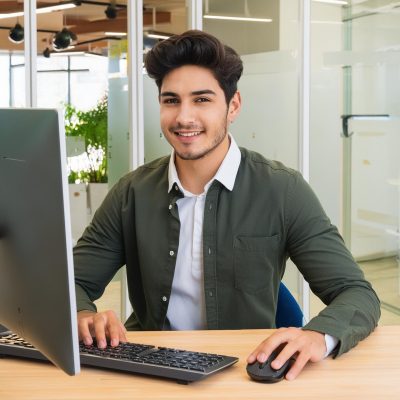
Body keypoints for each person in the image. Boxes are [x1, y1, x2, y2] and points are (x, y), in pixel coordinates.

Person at [74, 30, 380, 381]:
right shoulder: (132, 192)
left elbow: (356, 294)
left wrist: (317, 337)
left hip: (243, 371)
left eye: (202, 100)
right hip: (149, 366)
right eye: (171, 100)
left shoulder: (282, 189)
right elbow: (72, 282)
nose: (183, 117)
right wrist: (82, 313)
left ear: (233, 106)